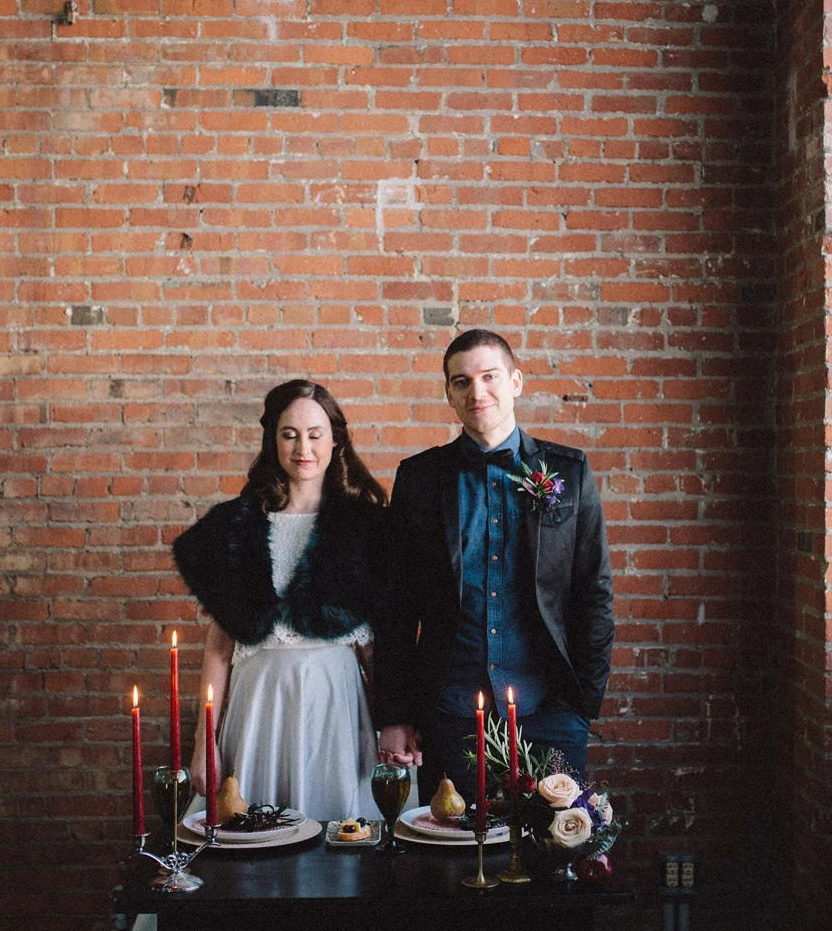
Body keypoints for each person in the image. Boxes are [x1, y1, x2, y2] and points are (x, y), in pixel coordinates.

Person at [372, 329, 615, 802]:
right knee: (454, 842)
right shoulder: (419, 479)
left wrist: (582, 702)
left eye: (489, 376)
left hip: (551, 712)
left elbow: (594, 593)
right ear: (448, 394)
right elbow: (396, 607)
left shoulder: (569, 471)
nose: (476, 392)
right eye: (461, 382)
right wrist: (395, 715)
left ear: (516, 381)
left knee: (555, 842)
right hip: (450, 714)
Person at [172, 379, 388, 822]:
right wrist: (203, 742)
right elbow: (219, 647)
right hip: (258, 702)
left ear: (335, 440)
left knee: (338, 834)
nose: (303, 448)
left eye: (315, 434)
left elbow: (374, 648)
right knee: (254, 831)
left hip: (335, 702)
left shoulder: (366, 527)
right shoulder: (237, 525)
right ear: (273, 440)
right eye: (290, 434)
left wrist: (392, 722)